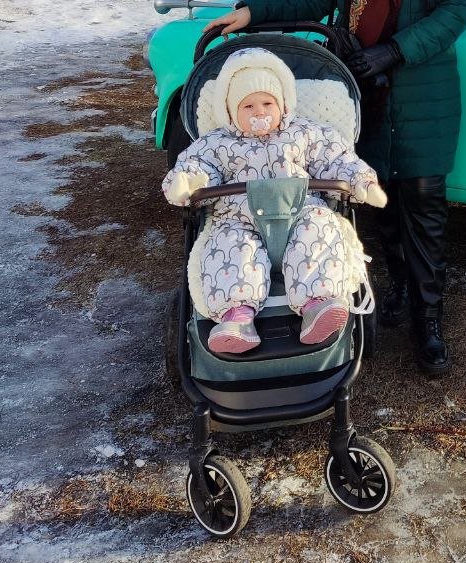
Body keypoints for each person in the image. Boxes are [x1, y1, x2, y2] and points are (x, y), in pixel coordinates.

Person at [204, 0, 466, 375]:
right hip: (359, 87)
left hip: (424, 90)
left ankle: (429, 322)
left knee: (424, 203)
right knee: (376, 199)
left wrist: (393, 50)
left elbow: (454, 10)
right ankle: (397, 288)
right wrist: (251, 13)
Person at [163, 47, 385, 356]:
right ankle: (237, 317)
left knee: (320, 229)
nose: (259, 112)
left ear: (283, 104)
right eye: (248, 106)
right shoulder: (218, 142)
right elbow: (198, 166)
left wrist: (361, 181)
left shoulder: (305, 133)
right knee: (229, 247)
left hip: (300, 211)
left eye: (268, 103)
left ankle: (317, 304)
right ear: (230, 111)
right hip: (240, 218)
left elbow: (334, 158)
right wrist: (187, 181)